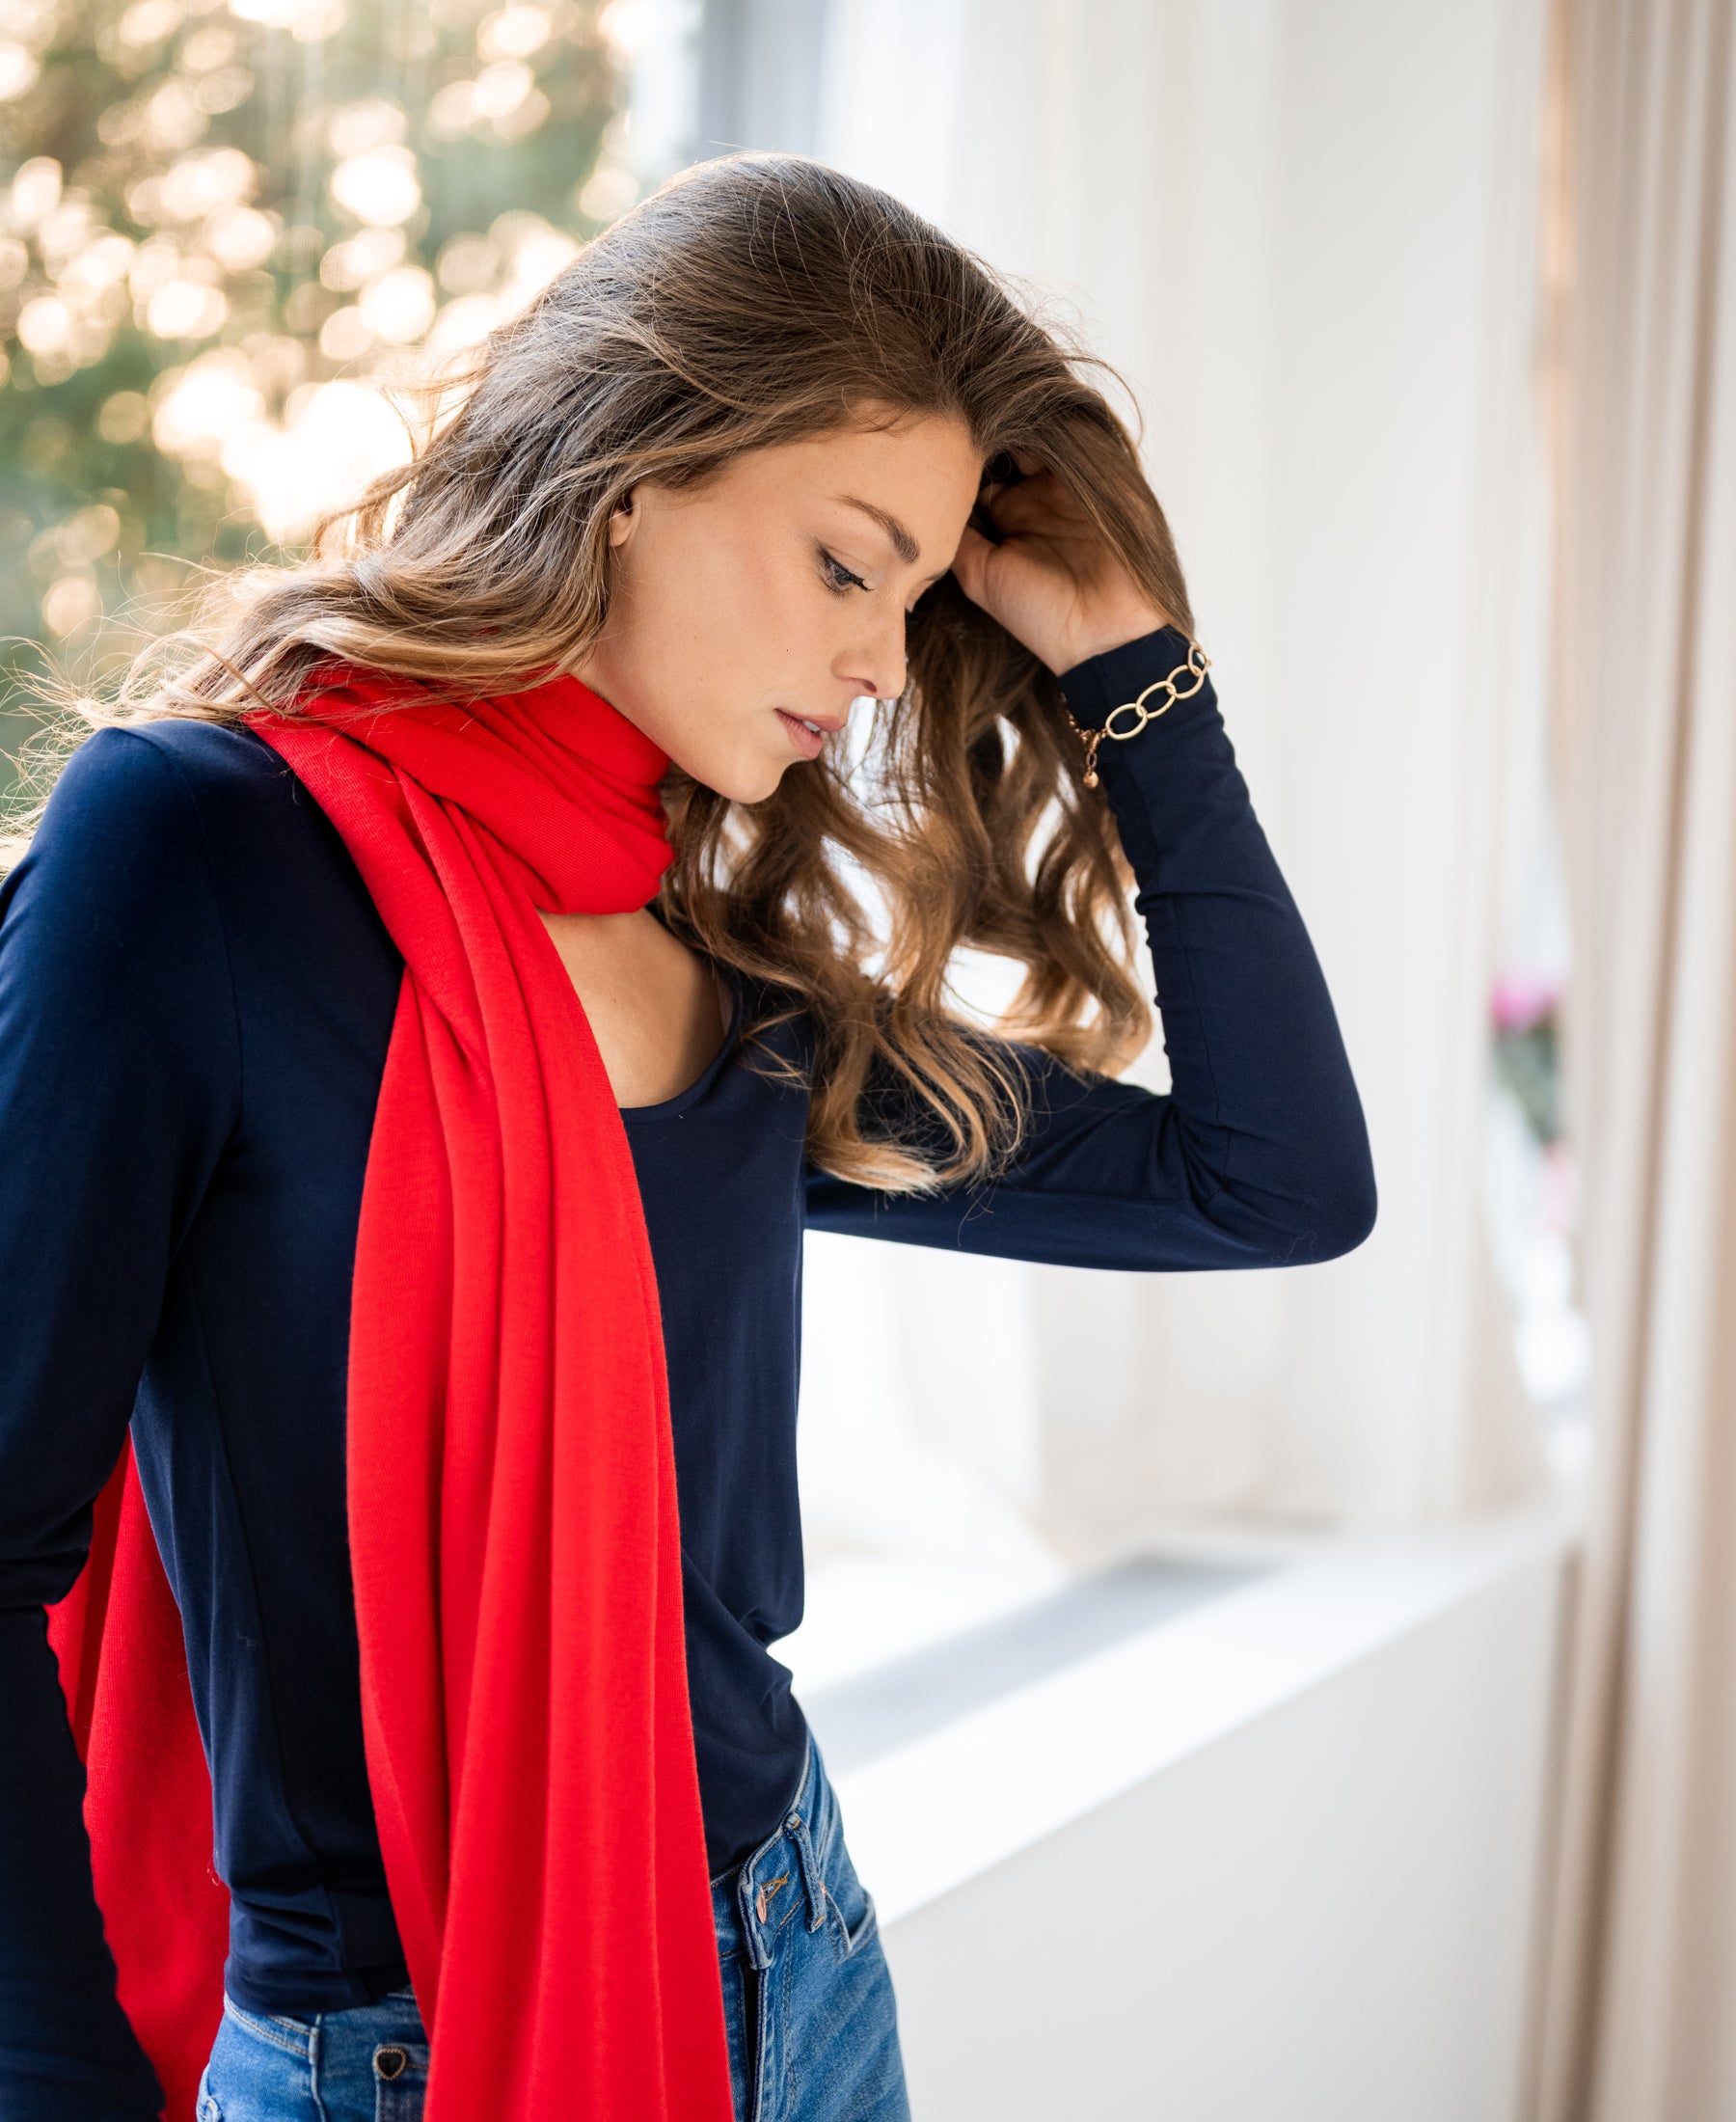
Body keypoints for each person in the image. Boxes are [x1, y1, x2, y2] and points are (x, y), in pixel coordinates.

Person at [0, 153, 1375, 2122]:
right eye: (846, 561)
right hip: (393, 2048)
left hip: (793, 1961)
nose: (887, 659)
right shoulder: (200, 859)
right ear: (635, 469)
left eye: (914, 592)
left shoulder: (723, 972)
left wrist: (1133, 671)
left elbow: (1279, 1182)